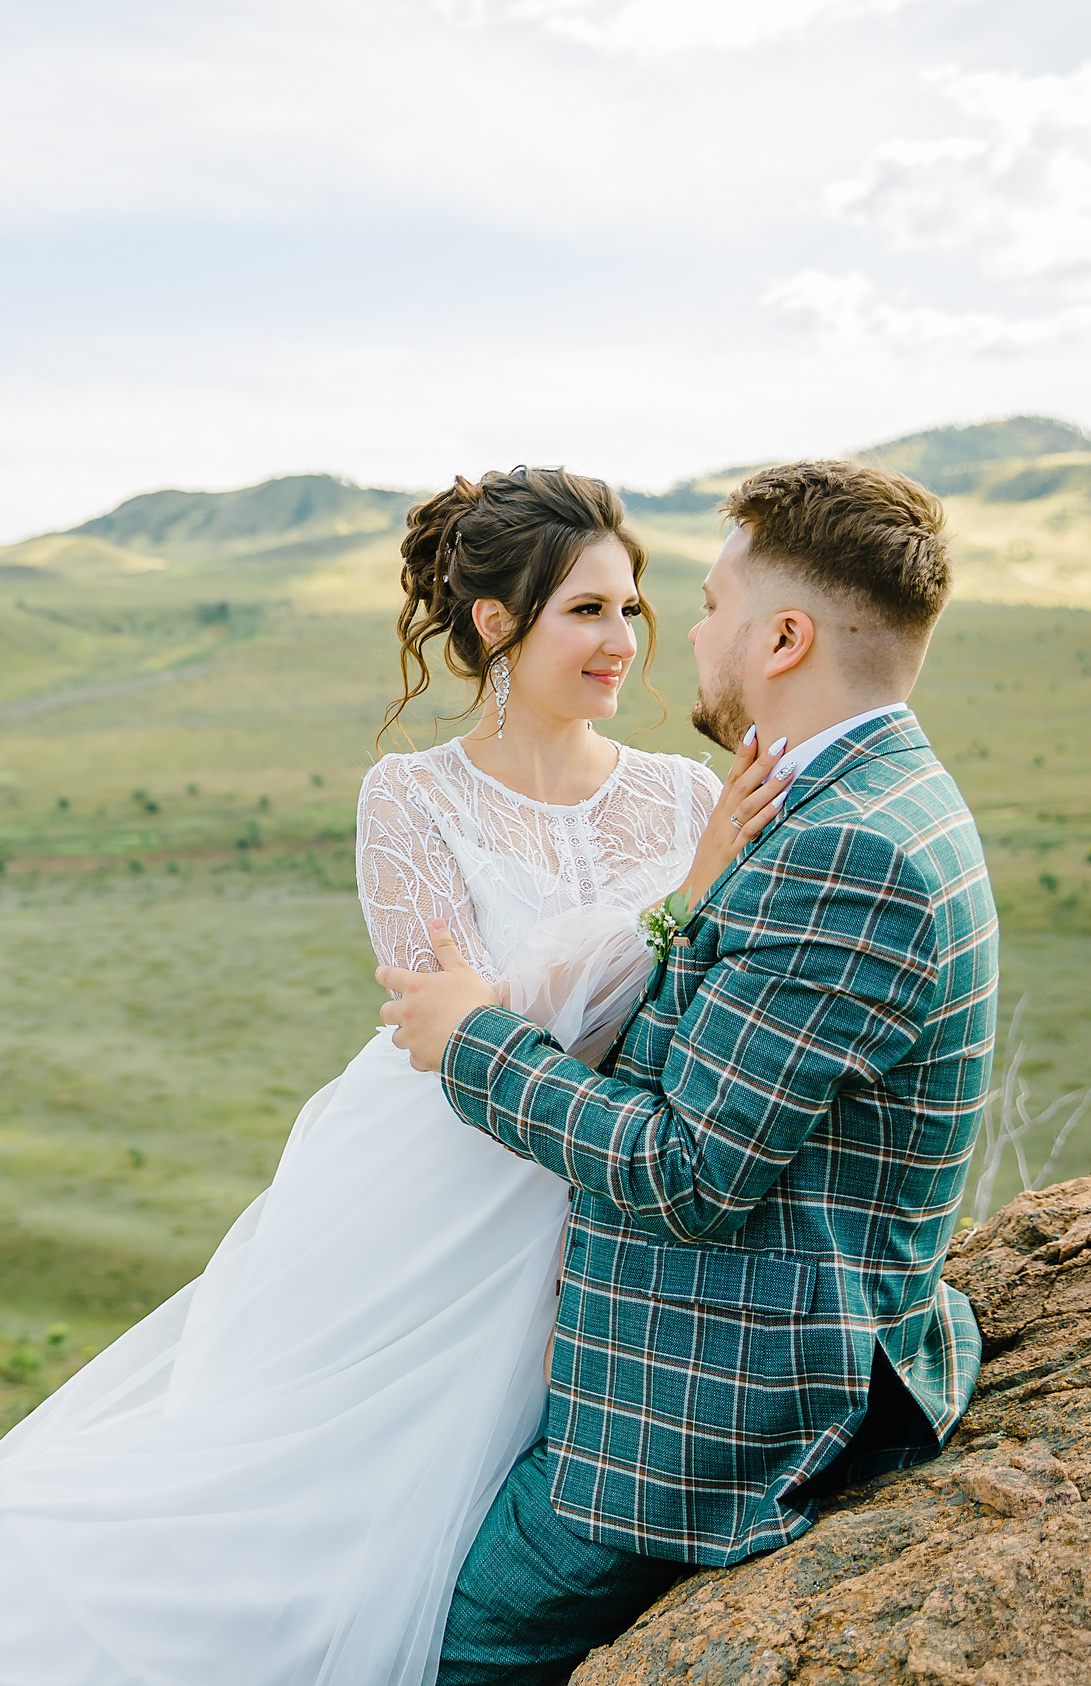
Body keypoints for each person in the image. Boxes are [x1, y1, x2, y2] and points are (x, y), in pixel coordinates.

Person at [0, 466, 775, 1685]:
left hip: (597, 1173)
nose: (622, 642)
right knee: (297, 1481)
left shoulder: (680, 795)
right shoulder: (410, 798)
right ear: (496, 623)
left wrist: (637, 925)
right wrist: (673, 906)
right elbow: (440, 1030)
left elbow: (559, 1004)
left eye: (631, 609)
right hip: (437, 1183)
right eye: (585, 612)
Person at [380, 458, 999, 1684]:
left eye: (708, 606)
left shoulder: (842, 849)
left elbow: (683, 1174)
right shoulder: (854, 802)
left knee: (448, 1648)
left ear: (782, 636)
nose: (683, 635)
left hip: (709, 1405)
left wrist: (473, 1041)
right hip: (718, 1327)